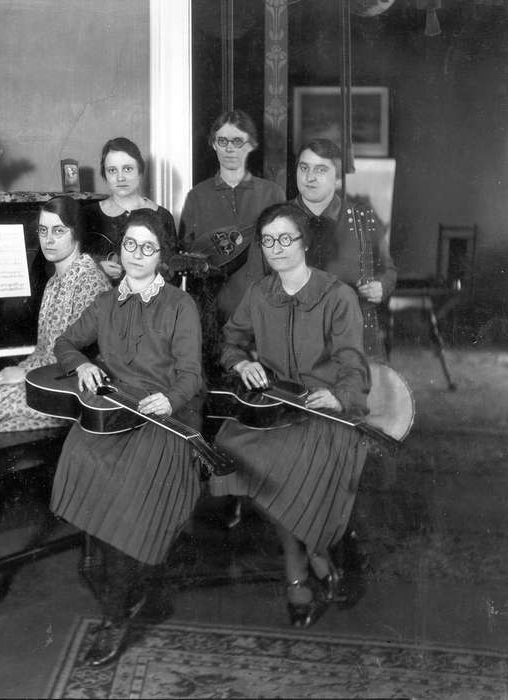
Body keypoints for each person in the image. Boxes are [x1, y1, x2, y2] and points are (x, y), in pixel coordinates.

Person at [49, 208, 204, 666]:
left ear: (162, 256)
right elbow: (64, 343)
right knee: (82, 465)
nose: (137, 255)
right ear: (119, 249)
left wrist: (171, 400)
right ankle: (122, 585)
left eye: (148, 247)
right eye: (130, 245)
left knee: (122, 505)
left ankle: (116, 616)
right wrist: (83, 364)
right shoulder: (104, 303)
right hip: (112, 416)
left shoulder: (180, 305)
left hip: (162, 421)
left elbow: (192, 375)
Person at [209, 202, 370, 628]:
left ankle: (298, 573)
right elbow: (230, 342)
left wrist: (340, 396)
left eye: (285, 238)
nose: (276, 248)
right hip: (277, 415)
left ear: (305, 243)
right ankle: (313, 555)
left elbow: (354, 365)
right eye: (267, 241)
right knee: (235, 451)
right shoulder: (260, 293)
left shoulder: (337, 296)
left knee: (282, 471)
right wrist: (242, 363)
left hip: (327, 418)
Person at [0, 196, 111, 544]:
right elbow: (42, 349)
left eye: (58, 231)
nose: (48, 240)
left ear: (76, 233)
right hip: (43, 378)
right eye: (42, 231)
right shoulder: (54, 280)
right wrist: (18, 370)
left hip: (66, 395)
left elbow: (76, 356)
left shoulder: (89, 281)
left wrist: (21, 374)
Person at [178, 110, 284, 378]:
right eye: (222, 141)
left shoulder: (271, 193)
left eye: (237, 141)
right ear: (213, 144)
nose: (229, 149)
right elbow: (187, 262)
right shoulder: (197, 197)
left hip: (264, 315)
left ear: (251, 145)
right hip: (214, 316)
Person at [292, 138, 397, 359]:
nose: (309, 177)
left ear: (338, 178)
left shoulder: (362, 219)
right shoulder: (279, 220)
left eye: (321, 170)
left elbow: (388, 271)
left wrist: (381, 286)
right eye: (304, 168)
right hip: (295, 337)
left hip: (353, 337)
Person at [83, 137, 177, 282]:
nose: (120, 178)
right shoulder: (88, 215)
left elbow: (172, 277)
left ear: (140, 171)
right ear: (105, 175)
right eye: (112, 170)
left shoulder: (163, 217)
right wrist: (97, 268)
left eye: (128, 169)